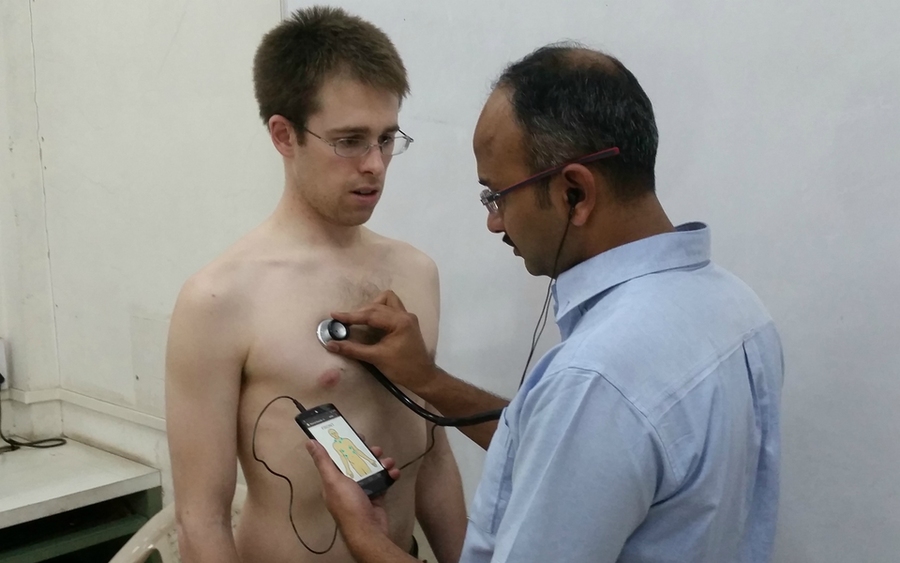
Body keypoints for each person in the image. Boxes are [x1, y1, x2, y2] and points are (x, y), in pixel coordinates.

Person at [306, 43, 784, 563]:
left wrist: (366, 538)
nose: (494, 221)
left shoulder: (597, 379)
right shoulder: (737, 308)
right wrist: (427, 381)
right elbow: (579, 454)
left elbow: (590, 417)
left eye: (496, 195)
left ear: (574, 192)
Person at [164, 7, 466, 563]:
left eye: (386, 138)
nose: (375, 164)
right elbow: (200, 518)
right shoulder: (221, 298)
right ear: (284, 135)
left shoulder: (416, 272)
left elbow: (432, 457)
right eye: (349, 140)